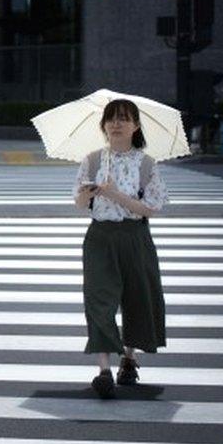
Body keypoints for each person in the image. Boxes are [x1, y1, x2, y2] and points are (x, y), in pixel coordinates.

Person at [72, 99, 168, 399]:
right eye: (111, 119)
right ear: (103, 126)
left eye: (123, 119)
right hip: (100, 236)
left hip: (134, 236)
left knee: (137, 298)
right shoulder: (92, 160)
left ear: (135, 126)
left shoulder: (147, 164)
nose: (116, 124)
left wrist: (115, 193)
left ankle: (129, 357)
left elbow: (151, 208)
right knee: (98, 299)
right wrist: (86, 194)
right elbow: (79, 203)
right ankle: (103, 371)